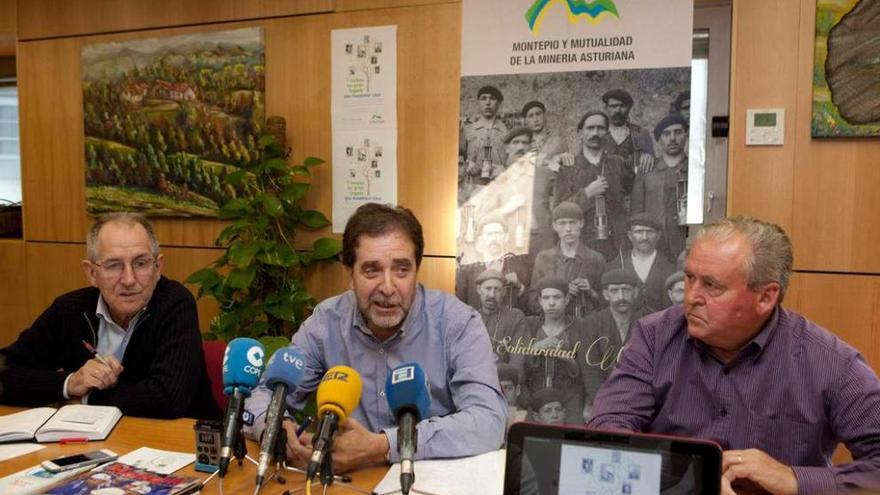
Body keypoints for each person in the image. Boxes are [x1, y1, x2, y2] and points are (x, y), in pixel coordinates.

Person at [588, 216, 880, 494]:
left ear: (766, 297)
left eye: (711, 286)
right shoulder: (656, 336)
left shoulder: (831, 362)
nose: (691, 297)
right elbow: (608, 431)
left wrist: (793, 479)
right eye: (690, 278)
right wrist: (690, 476)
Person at [244, 203, 507, 472]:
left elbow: (489, 421)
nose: (388, 287)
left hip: (427, 481)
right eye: (372, 270)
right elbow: (264, 393)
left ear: (417, 270)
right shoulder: (326, 322)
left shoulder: (458, 323)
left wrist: (385, 445)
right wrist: (274, 426)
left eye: (402, 270)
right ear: (350, 274)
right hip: (348, 484)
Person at [0, 213, 218, 419]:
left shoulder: (175, 304)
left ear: (157, 267)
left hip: (180, 446)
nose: (129, 279)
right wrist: (70, 383)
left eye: (141, 263)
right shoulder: (70, 310)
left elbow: (168, 399)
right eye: (114, 266)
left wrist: (86, 398)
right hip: (90, 442)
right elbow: (5, 371)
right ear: (92, 273)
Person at [577, 268, 651, 421]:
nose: (621, 297)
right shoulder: (592, 323)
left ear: (635, 292)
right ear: (605, 294)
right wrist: (605, 405)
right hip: (601, 398)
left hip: (638, 399)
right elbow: (590, 371)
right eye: (615, 291)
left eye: (626, 290)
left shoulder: (648, 322)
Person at [554, 111, 628, 260]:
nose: (596, 133)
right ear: (580, 133)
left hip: (615, 246)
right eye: (590, 128)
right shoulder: (568, 166)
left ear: (607, 133)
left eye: (600, 128)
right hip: (581, 245)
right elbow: (559, 211)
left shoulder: (618, 164)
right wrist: (586, 193)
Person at [510, 277, 584, 425]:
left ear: (567, 299)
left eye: (557, 297)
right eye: (546, 298)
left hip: (568, 398)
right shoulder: (530, 325)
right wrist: (535, 349)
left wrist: (567, 358)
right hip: (534, 398)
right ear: (540, 301)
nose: (551, 303)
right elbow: (518, 364)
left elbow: (588, 372)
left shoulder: (579, 326)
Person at [529, 201, 606, 317]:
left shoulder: (596, 259)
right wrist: (559, 291)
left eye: (572, 223)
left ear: (581, 223)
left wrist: (591, 291)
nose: (568, 229)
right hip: (555, 325)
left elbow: (607, 303)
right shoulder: (544, 259)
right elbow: (533, 302)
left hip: (588, 326)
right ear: (554, 226)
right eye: (562, 223)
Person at [631, 114, 689, 261]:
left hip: (686, 243)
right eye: (666, 134)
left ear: (686, 135)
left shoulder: (696, 170)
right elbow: (636, 212)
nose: (672, 138)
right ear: (658, 140)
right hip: (653, 246)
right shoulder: (647, 171)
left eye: (678, 132)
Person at [456, 217, 530, 310]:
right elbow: (459, 304)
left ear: (506, 237)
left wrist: (520, 286)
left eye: (498, 233)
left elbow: (529, 306)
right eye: (489, 234)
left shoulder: (519, 266)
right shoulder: (468, 269)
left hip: (508, 323)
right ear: (481, 239)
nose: (494, 238)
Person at [606, 213, 676, 311]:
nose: (644, 237)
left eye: (650, 232)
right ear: (630, 235)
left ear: (658, 235)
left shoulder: (671, 269)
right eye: (638, 232)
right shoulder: (615, 267)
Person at [459, 85, 509, 201]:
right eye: (483, 98)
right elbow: (459, 158)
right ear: (478, 103)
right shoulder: (468, 130)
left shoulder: (506, 131)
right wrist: (469, 165)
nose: (488, 102)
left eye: (492, 98)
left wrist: (503, 169)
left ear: (499, 103)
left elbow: (510, 161)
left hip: (498, 187)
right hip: (473, 187)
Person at [601, 88, 655, 187]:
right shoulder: (598, 134)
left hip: (634, 194)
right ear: (606, 108)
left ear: (629, 108)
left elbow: (650, 164)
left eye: (623, 106)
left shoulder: (641, 133)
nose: (618, 110)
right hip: (605, 194)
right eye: (613, 106)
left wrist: (649, 155)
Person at [475, 269, 525, 362]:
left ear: (504, 292)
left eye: (497, 289)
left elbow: (518, 362)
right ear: (479, 290)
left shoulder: (515, 318)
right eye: (488, 288)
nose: (492, 295)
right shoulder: (471, 320)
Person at [497, 362, 527, 430]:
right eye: (497, 389)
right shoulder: (482, 419)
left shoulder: (528, 421)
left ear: (517, 390)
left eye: (507, 388)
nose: (502, 393)